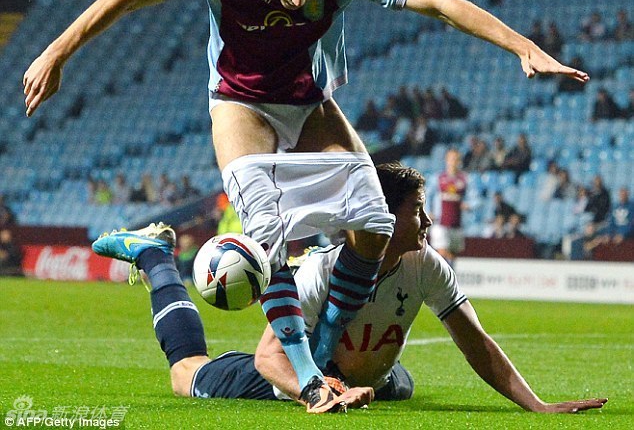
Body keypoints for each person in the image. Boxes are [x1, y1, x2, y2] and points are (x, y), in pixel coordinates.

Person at [23, 0, 589, 411]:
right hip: (239, 102)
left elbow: (440, 2)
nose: (298, 2)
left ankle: (321, 354)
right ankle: (313, 381)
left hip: (310, 102)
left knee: (374, 219)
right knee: (267, 234)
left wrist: (522, 47)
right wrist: (56, 52)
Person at [92, 162, 606, 415]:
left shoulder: (425, 264)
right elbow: (271, 359)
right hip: (295, 373)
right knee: (186, 375)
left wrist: (536, 406)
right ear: (381, 218)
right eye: (415, 212)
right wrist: (321, 393)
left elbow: (476, 342)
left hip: (358, 373)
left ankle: (369, 377)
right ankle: (156, 255)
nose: (426, 222)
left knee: (395, 385)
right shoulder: (319, 271)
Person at [429, 148, 468, 267]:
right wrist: (429, 211)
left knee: (453, 254)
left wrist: (468, 204)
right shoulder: (438, 178)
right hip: (440, 222)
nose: (454, 161)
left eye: (456, 159)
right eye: (451, 159)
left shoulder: (464, 179)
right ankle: (441, 280)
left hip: (457, 223)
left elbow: (473, 197)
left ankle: (449, 281)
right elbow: (428, 195)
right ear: (446, 160)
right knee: (442, 252)